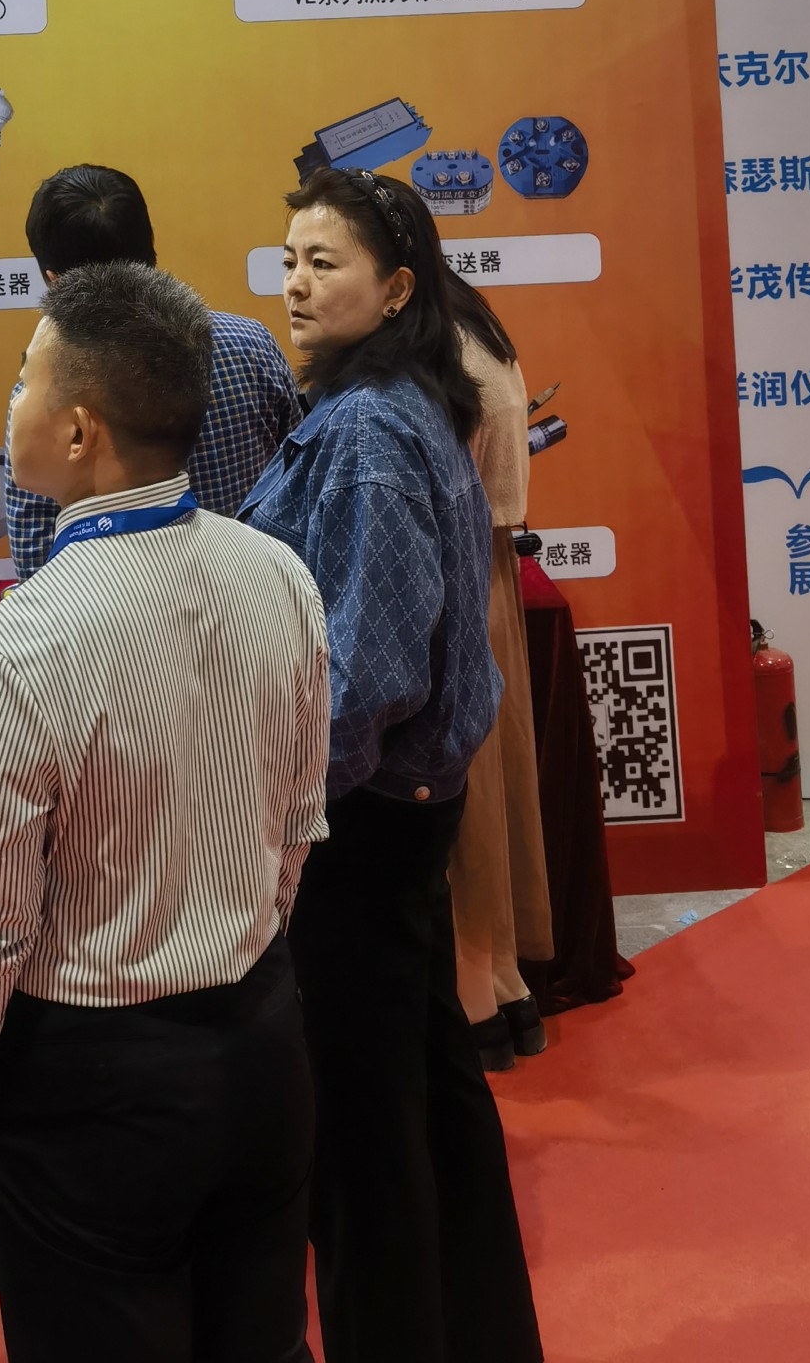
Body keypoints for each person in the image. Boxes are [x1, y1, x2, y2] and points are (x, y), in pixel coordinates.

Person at [0, 263, 330, 1363]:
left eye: (23, 378)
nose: (8, 403)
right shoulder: (279, 575)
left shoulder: (17, 643)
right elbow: (296, 826)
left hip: (90, 1080)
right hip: (263, 1037)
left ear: (79, 429)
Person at [243, 167, 542, 1363]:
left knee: (363, 1135)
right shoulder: (393, 403)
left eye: (325, 263)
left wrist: (286, 822)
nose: (296, 284)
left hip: (357, 816)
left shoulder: (369, 427)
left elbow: (368, 672)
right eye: (291, 259)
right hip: (398, 807)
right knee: (425, 1091)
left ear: (399, 286)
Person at [0, 164, 298, 578]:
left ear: (55, 281)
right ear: (149, 251)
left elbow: (36, 560)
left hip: (113, 612)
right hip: (259, 594)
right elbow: (297, 477)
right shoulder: (251, 344)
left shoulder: (45, 395)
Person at [441, 271, 554, 1072]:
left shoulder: (424, 348)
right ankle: (501, 983)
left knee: (464, 798)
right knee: (485, 784)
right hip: (484, 571)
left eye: (323, 261)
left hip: (447, 575)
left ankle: (478, 991)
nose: (299, 283)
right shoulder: (473, 327)